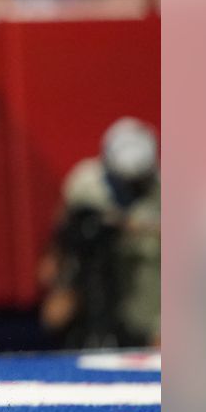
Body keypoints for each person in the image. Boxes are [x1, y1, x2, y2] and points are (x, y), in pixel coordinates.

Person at [38, 117, 161, 349]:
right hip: (95, 275)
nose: (128, 188)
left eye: (136, 183)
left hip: (143, 279)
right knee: (58, 314)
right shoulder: (85, 183)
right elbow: (64, 231)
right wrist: (61, 279)